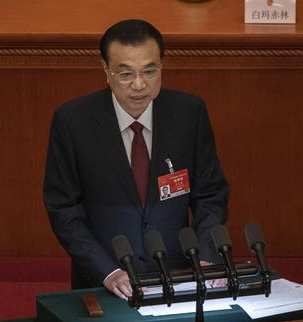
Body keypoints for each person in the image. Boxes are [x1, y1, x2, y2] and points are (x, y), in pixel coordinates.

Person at [43, 19, 229, 299]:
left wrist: (205, 255)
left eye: (149, 71)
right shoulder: (73, 122)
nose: (140, 85)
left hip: (180, 276)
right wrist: (107, 271)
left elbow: (210, 193)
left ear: (162, 65)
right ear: (106, 71)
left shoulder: (189, 113)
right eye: (126, 74)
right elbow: (63, 207)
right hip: (105, 281)